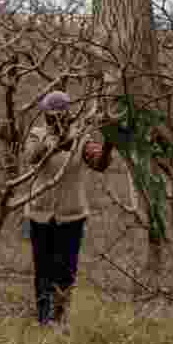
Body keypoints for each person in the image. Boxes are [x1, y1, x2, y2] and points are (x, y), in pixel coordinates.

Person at [24, 90, 112, 326]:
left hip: (72, 215)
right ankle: (43, 318)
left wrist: (109, 141)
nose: (54, 120)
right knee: (43, 267)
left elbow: (99, 162)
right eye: (50, 116)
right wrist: (51, 143)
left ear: (68, 114)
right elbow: (30, 156)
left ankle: (59, 317)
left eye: (59, 115)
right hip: (40, 213)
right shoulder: (37, 134)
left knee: (65, 269)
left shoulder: (81, 137)